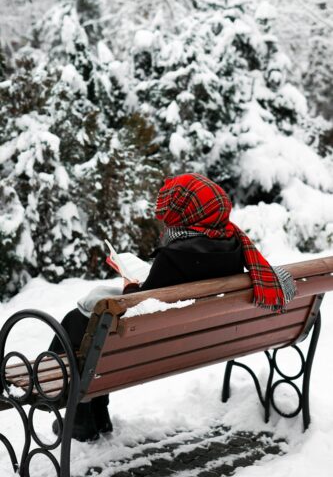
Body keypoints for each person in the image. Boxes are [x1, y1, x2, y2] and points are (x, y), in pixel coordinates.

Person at [50, 173, 296, 442]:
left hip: (143, 346)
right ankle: (92, 413)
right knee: (94, 333)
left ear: (186, 210)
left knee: (76, 323)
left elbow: (141, 306)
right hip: (201, 341)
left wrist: (131, 284)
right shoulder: (234, 243)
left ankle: (77, 413)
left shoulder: (176, 253)